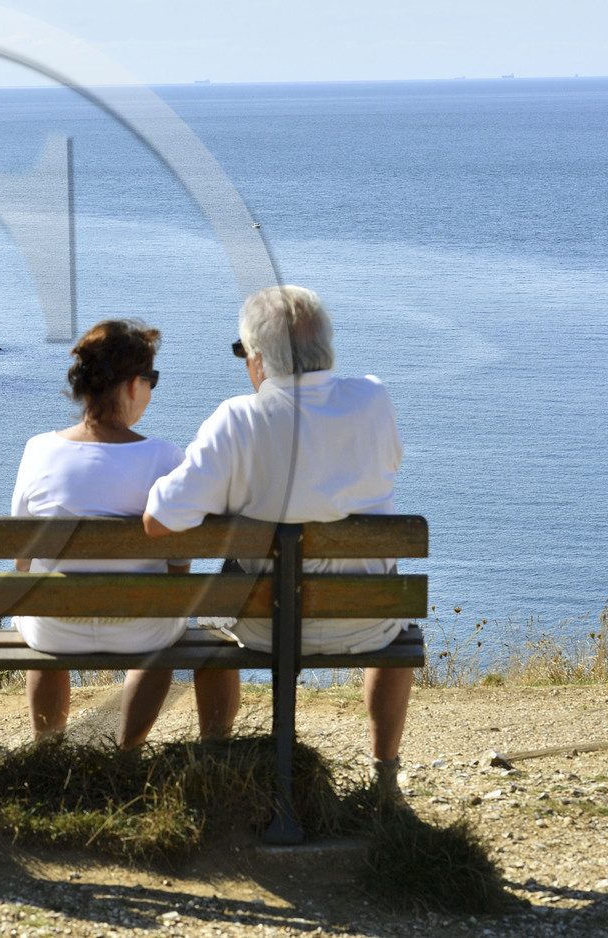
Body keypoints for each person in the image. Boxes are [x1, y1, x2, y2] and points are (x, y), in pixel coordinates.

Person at [143, 285, 409, 793]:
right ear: (326, 348)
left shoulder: (237, 420)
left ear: (258, 358)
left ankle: (218, 760)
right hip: (366, 621)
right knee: (394, 631)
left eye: (243, 353)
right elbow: (389, 465)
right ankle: (383, 779)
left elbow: (158, 520)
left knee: (212, 623)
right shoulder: (373, 399)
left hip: (260, 625)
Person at [9, 318, 191, 749]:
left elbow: (22, 558)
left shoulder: (39, 450)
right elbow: (179, 563)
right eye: (151, 379)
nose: (150, 391)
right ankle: (127, 750)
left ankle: (47, 746)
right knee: (169, 628)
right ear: (132, 385)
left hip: (54, 626)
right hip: (140, 628)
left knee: (36, 605)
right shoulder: (165, 457)